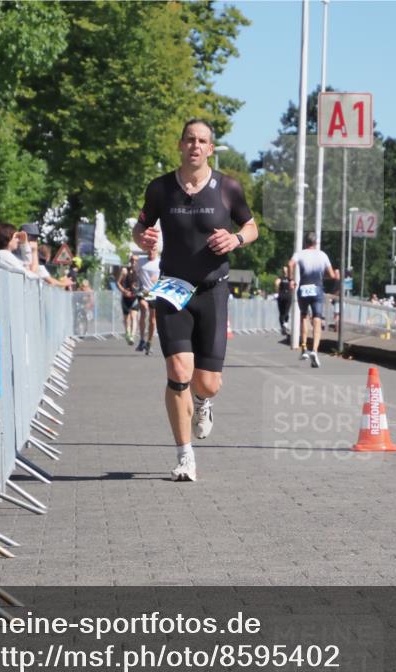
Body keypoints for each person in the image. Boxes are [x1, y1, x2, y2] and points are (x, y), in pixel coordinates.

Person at [131, 118, 257, 482]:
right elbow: (141, 226)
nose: (195, 146)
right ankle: (185, 455)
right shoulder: (160, 190)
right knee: (178, 371)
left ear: (210, 148)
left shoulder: (228, 188)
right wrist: (144, 238)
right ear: (180, 145)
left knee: (208, 383)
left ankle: (203, 403)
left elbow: (251, 226)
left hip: (213, 291)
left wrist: (236, 240)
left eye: (202, 141)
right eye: (189, 140)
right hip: (172, 289)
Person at [288, 232, 339, 368]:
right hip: (317, 288)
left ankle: (304, 347)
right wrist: (330, 276)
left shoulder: (300, 253)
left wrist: (291, 279)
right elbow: (332, 275)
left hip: (303, 288)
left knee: (304, 317)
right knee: (317, 319)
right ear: (316, 243)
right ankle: (315, 350)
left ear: (305, 243)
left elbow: (290, 264)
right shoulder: (322, 255)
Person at [136, 242, 161, 355]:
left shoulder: (160, 262)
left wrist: (158, 279)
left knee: (152, 319)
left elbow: (166, 276)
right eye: (149, 250)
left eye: (153, 250)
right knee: (143, 307)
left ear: (156, 251)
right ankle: (142, 339)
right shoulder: (141, 261)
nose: (151, 252)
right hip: (144, 291)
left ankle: (149, 342)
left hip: (155, 293)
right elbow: (136, 275)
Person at [116, 256, 140, 345]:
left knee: (134, 316)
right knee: (127, 319)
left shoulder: (139, 271)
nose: (134, 262)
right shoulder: (124, 271)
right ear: (130, 261)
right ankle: (128, 333)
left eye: (136, 260)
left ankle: (132, 336)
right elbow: (117, 282)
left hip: (135, 297)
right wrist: (123, 291)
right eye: (132, 260)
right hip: (126, 297)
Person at [275, 266, 292, 335]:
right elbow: (276, 283)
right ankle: (283, 327)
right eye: (284, 269)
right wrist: (277, 288)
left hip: (288, 296)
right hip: (281, 296)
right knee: (281, 313)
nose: (285, 270)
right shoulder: (281, 277)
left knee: (286, 312)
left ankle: (286, 324)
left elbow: (294, 284)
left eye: (286, 269)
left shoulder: (290, 278)